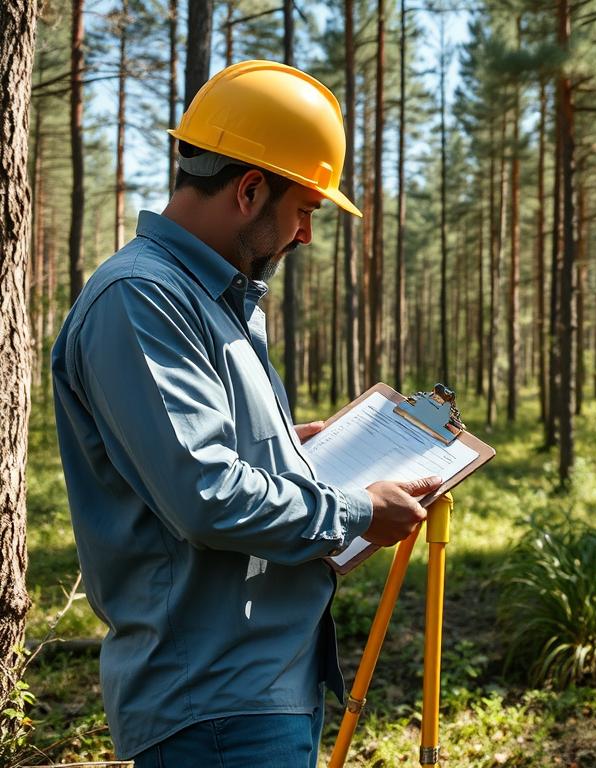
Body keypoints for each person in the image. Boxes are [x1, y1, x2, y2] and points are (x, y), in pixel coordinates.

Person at [51, 60, 438, 767]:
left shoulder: (209, 302)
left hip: (258, 686)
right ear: (250, 189)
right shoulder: (140, 299)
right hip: (215, 705)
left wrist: (289, 448)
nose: (305, 235)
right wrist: (357, 511)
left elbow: (199, 459)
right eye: (305, 210)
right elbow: (204, 493)